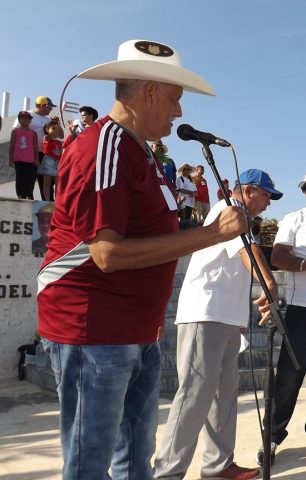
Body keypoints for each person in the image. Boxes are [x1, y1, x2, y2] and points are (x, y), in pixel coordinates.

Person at [37, 39, 248, 480]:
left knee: (135, 460)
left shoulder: (138, 150)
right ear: (150, 91)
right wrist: (212, 234)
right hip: (94, 333)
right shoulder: (105, 145)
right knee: (89, 463)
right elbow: (107, 253)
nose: (179, 112)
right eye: (174, 99)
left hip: (133, 332)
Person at [154, 169, 283, 480]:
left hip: (224, 319)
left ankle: (218, 466)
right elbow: (245, 252)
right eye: (266, 196)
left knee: (223, 396)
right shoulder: (229, 209)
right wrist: (269, 283)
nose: (268, 204)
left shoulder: (241, 217)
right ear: (250, 190)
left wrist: (239, 319)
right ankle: (167, 473)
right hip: (205, 315)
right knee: (194, 396)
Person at [255, 174, 306, 467]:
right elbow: (278, 257)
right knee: (287, 380)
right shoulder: (295, 219)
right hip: (301, 311)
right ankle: (271, 438)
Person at [12, 96, 63, 200]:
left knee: (46, 180)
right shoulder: (26, 115)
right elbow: (16, 132)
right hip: (29, 153)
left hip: (46, 154)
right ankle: (27, 200)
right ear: (42, 106)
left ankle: (48, 202)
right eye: (49, 107)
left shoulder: (49, 119)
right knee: (29, 178)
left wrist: (58, 123)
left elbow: (60, 136)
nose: (51, 110)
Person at [9, 111, 39, 199]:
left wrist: (37, 159)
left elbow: (35, 148)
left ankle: (28, 194)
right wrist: (10, 159)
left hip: (30, 159)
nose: (25, 120)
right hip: (18, 159)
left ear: (30, 121)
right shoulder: (15, 132)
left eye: (27, 118)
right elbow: (12, 146)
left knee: (29, 177)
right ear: (19, 120)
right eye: (23, 118)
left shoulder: (33, 133)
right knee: (19, 177)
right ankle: (20, 195)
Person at [37, 119, 63, 201]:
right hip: (48, 161)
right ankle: (47, 200)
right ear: (47, 130)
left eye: (57, 129)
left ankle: (57, 201)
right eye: (53, 128)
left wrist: (59, 127)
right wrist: (58, 125)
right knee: (47, 182)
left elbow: (61, 135)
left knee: (58, 184)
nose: (56, 130)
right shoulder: (46, 138)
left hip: (58, 162)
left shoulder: (60, 142)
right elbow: (52, 135)